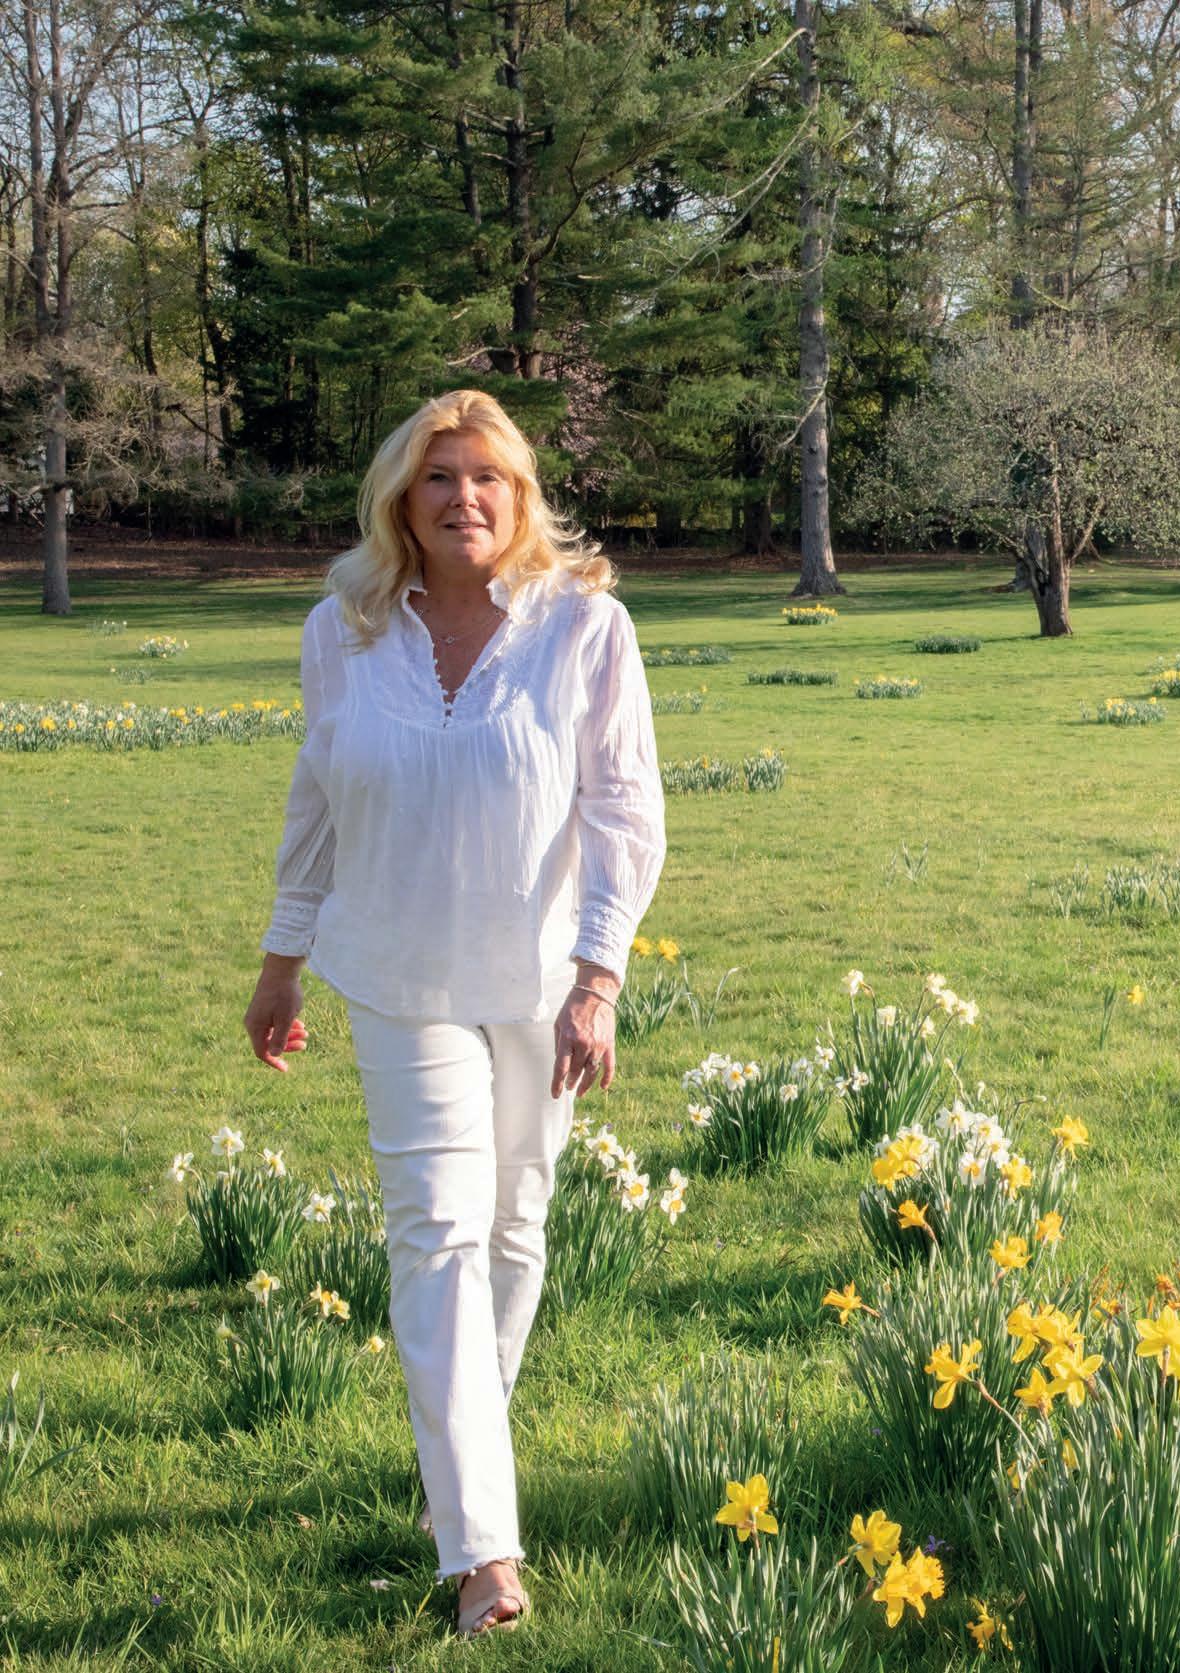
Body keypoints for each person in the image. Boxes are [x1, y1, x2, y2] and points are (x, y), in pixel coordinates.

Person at [242, 389, 665, 1637]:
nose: (463, 497)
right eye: (438, 477)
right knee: (436, 1232)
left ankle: (456, 1478)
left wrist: (598, 978)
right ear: (400, 499)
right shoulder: (344, 629)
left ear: (519, 496)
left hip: (538, 981)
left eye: (487, 476)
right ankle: (485, 1550)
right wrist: (281, 960)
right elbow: (317, 796)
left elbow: (624, 810)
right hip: (399, 975)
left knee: (516, 1230)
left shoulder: (583, 624)